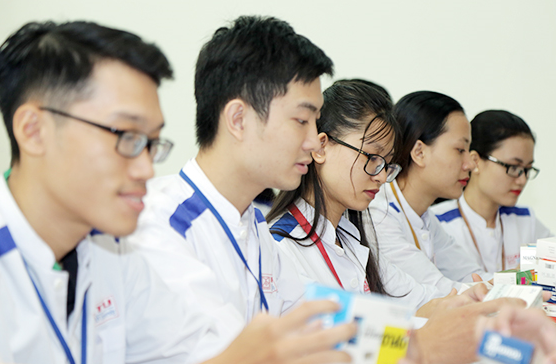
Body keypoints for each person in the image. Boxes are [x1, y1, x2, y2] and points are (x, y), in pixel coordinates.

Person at [0, 20, 356, 364]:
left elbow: (197, 344)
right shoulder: (150, 229)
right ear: (33, 131)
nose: (146, 169)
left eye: (151, 143)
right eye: (126, 136)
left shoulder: (110, 250)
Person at [123, 14, 341, 357]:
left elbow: (305, 326)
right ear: (238, 120)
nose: (315, 141)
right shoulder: (160, 227)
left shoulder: (252, 222)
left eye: (315, 122)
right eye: (301, 120)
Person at [267, 80, 452, 312]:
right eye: (372, 157)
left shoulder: (350, 238)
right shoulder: (280, 248)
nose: (381, 177)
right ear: (321, 147)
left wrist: (467, 301)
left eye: (386, 164)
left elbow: (421, 299)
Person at [369, 91, 491, 295]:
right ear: (419, 152)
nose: (469, 164)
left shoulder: (424, 216)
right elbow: (442, 292)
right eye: (460, 150)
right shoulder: (378, 214)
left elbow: (470, 275)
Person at [431, 110, 552, 272]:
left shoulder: (525, 220)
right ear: (475, 161)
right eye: (513, 167)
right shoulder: (438, 223)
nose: (522, 180)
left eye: (527, 169)